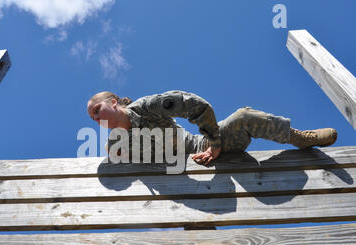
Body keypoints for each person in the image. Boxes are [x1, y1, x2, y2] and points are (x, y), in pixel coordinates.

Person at [86, 90, 337, 165]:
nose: (96, 119)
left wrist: (214, 142)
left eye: (97, 110)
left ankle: (299, 138)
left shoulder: (146, 107)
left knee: (243, 115)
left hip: (204, 146)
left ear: (114, 102)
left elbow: (195, 106)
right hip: (177, 177)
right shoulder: (115, 146)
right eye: (92, 118)